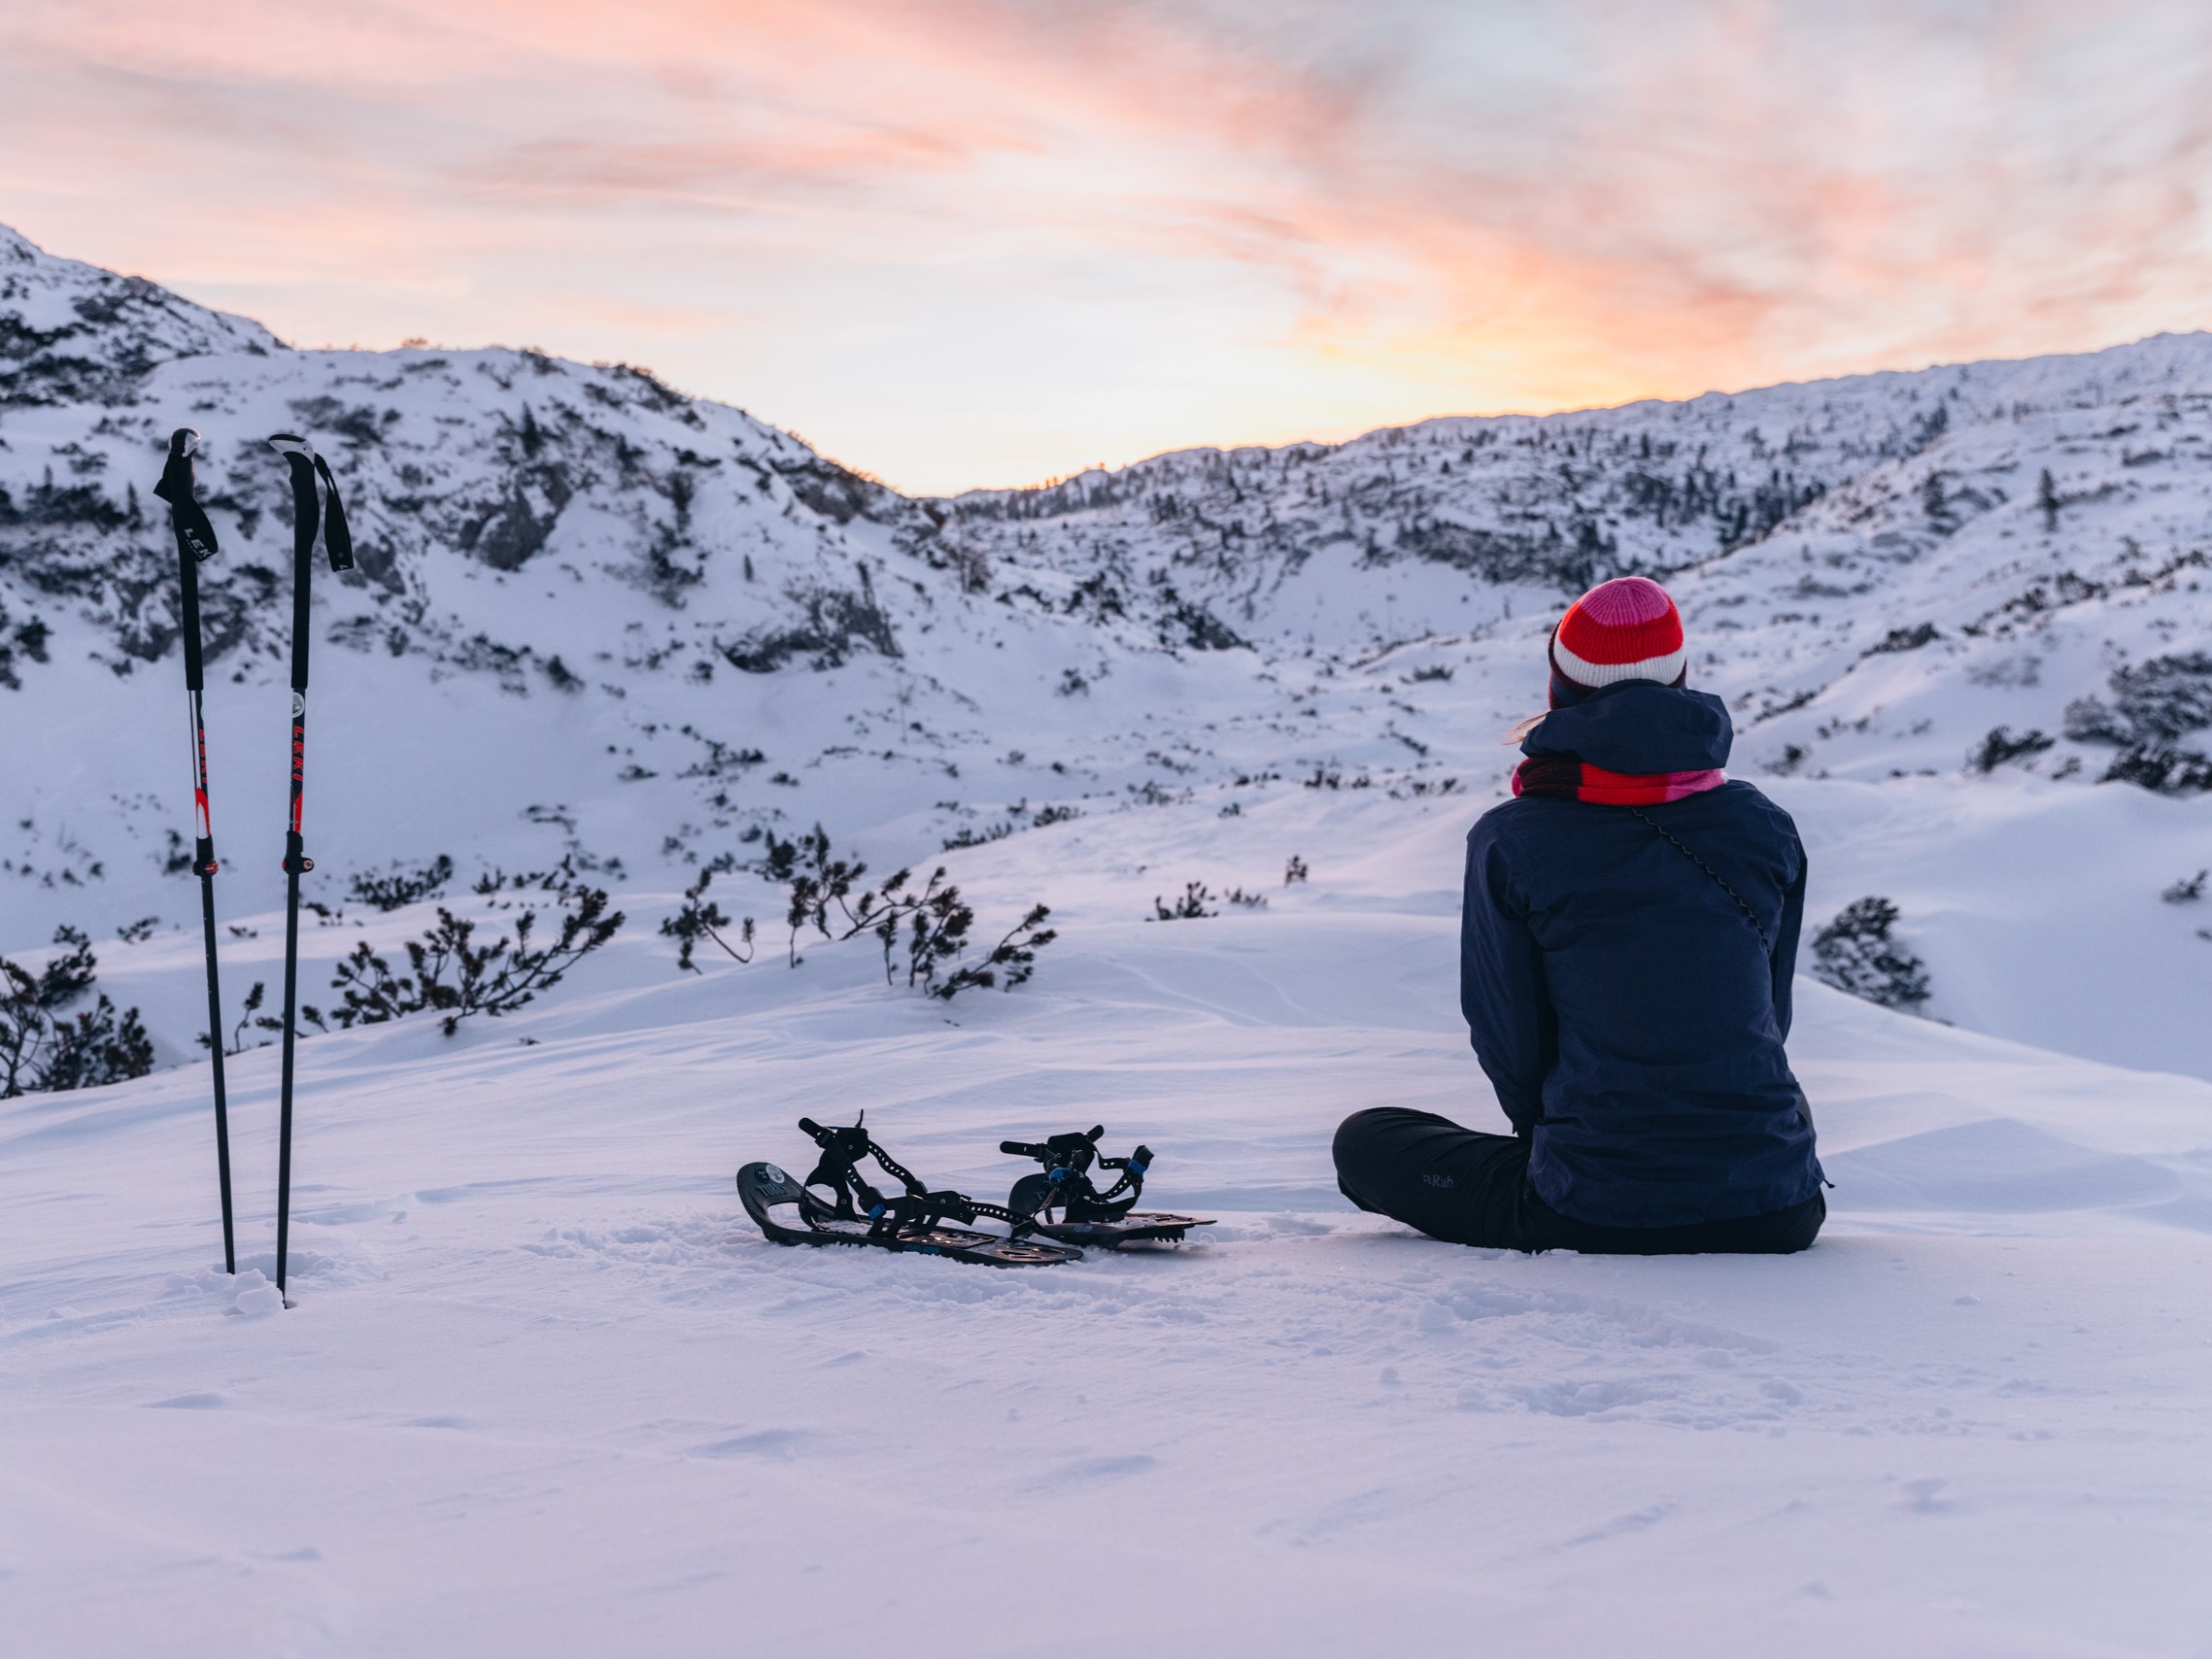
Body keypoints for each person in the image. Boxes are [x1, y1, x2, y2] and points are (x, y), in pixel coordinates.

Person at [1334, 576, 1826, 1254]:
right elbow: (1770, 1016)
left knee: (1366, 1140)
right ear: (1681, 679)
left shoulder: (1514, 840)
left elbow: (1509, 1036)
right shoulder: (1763, 826)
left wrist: (1563, 1145)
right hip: (1778, 1204)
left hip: (1593, 1205)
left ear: (1557, 689)